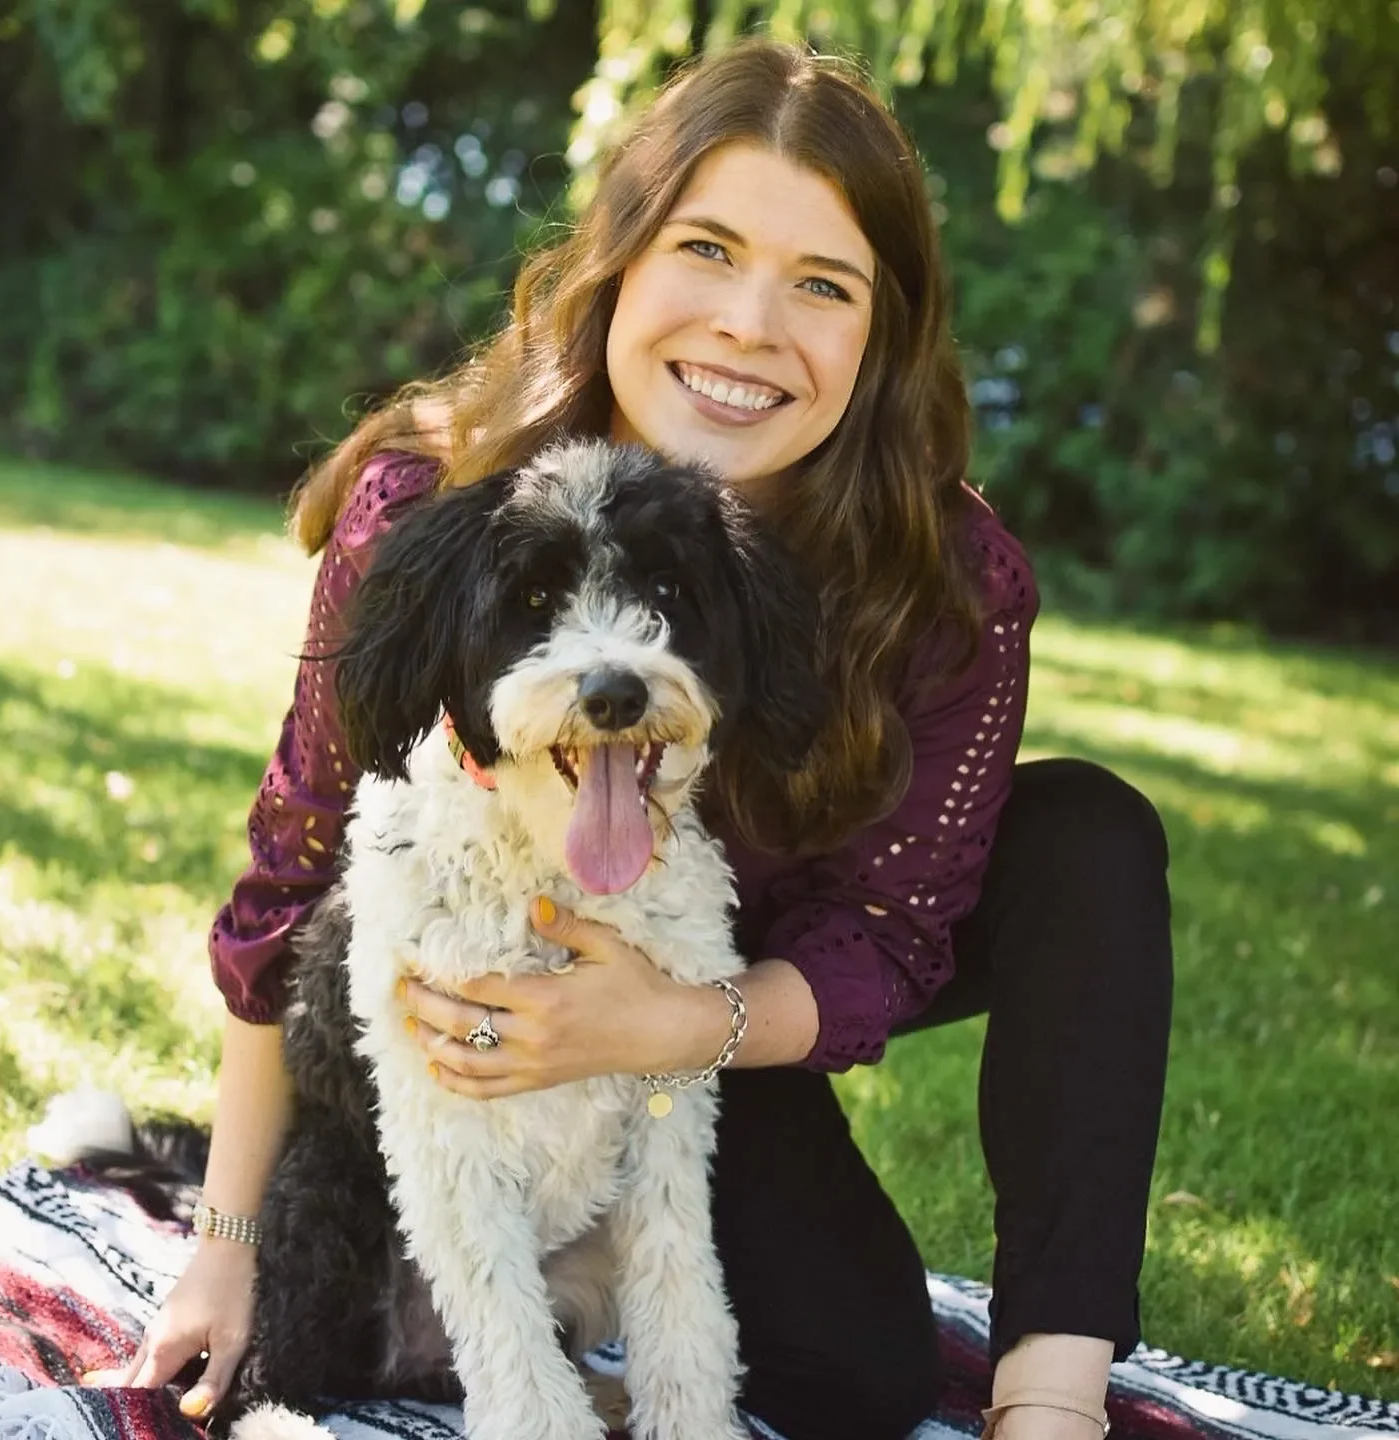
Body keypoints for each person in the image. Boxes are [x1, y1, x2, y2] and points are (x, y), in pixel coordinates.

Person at [84, 38, 1172, 1440]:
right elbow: (294, 890)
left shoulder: (940, 581)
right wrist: (226, 1239)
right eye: (706, 248)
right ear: (618, 257)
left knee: (1084, 839)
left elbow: (893, 937)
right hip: (497, 958)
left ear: (883, 332)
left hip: (726, 1008)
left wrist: (672, 1019)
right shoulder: (433, 509)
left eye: (823, 285)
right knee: (831, 1368)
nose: (748, 324)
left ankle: (1053, 1398)